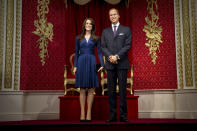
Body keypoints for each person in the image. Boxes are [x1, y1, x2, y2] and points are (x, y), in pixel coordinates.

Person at [101, 8, 132, 122]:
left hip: (122, 64)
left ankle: (123, 116)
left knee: (123, 91)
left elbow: (127, 46)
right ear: (109, 17)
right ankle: (112, 116)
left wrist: (117, 56)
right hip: (110, 65)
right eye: (111, 15)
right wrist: (110, 57)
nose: (113, 16)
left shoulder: (126, 29)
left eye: (115, 14)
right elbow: (103, 46)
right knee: (111, 91)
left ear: (119, 16)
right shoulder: (105, 31)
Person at [73, 18, 104, 122]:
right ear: (84, 25)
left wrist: (102, 64)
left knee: (91, 89)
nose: (88, 25)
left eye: (90, 24)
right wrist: (75, 66)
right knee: (82, 89)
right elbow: (76, 53)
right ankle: (82, 112)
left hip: (92, 61)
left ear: (92, 26)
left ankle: (89, 112)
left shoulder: (96, 38)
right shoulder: (78, 38)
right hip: (81, 62)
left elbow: (99, 52)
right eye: (87, 23)